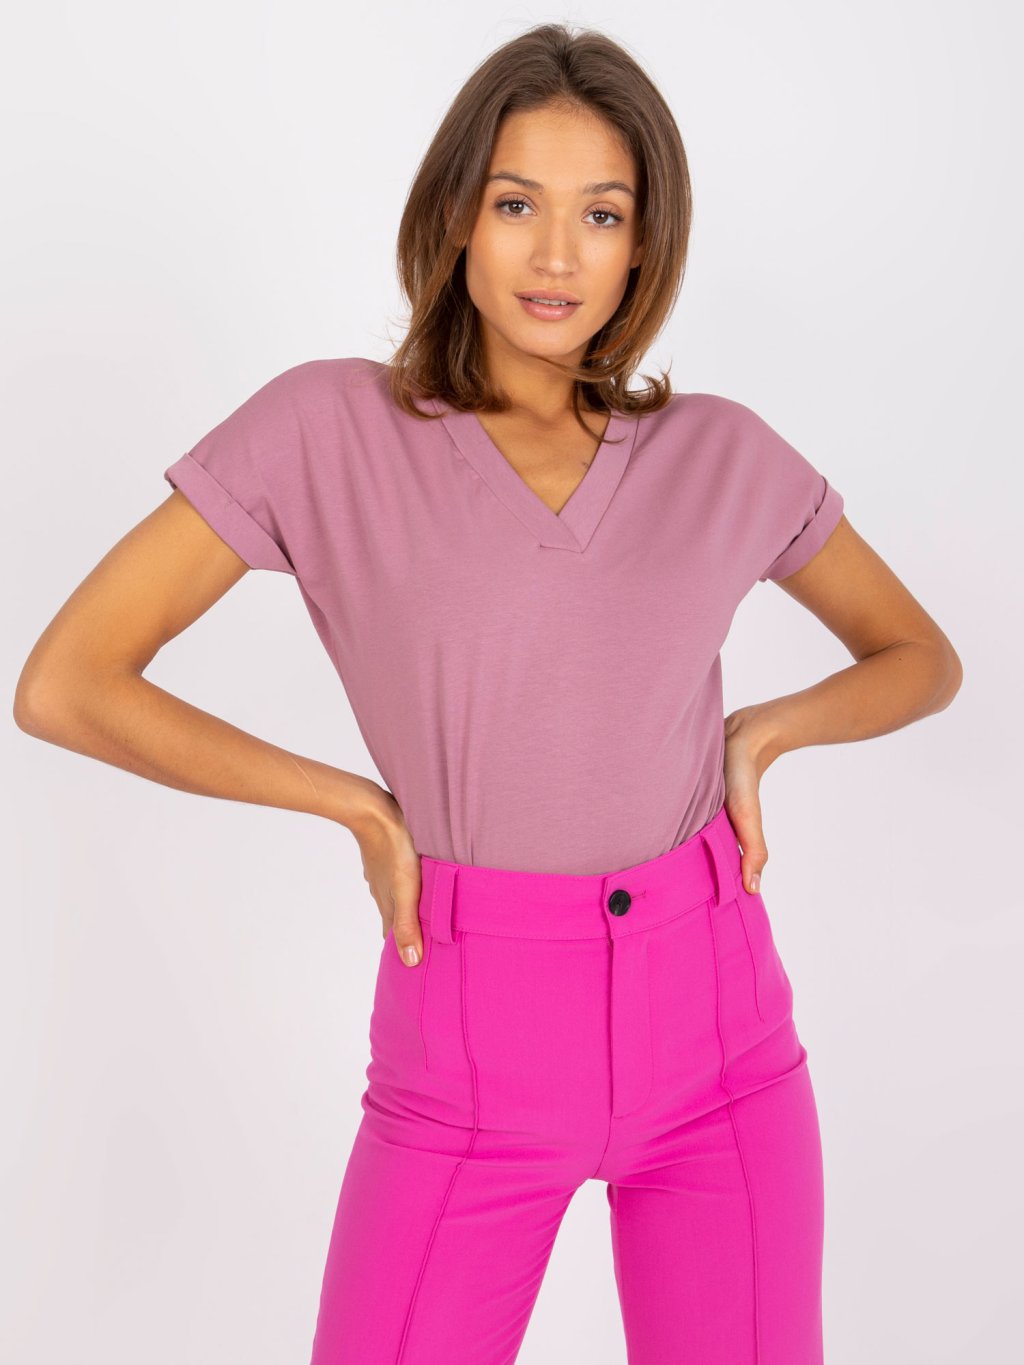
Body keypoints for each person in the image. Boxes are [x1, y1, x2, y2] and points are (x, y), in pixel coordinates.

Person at [14, 21, 962, 1365]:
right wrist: (355, 805)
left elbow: (920, 654)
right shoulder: (329, 429)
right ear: (458, 213)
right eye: (518, 203)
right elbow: (67, 682)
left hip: (722, 1041)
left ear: (644, 245)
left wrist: (766, 732)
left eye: (602, 213)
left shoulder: (719, 452)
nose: (557, 254)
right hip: (466, 1047)